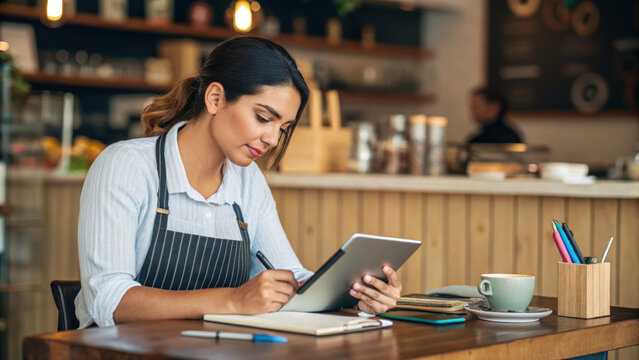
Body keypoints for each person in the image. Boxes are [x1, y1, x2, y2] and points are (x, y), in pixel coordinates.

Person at [75, 37, 403, 328]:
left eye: (283, 128)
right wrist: (233, 300)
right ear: (215, 98)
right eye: (263, 117)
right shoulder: (126, 166)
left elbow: (288, 273)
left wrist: (357, 292)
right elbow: (107, 299)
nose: (273, 138)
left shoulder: (247, 180)